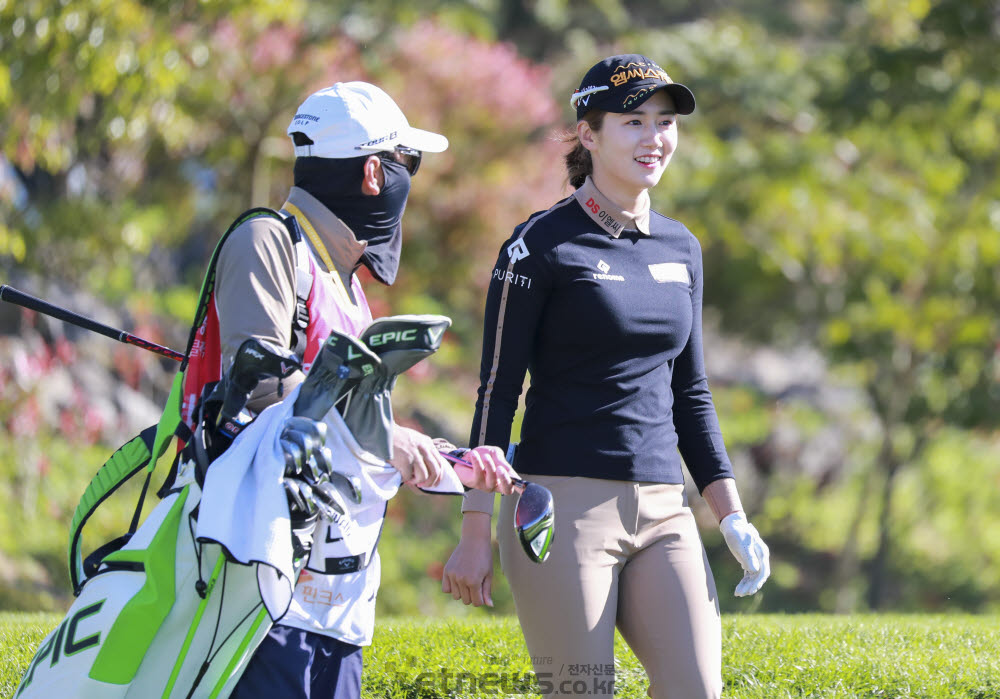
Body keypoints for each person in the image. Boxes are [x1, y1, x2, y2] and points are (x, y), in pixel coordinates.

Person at [441, 55, 770, 698]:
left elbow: (691, 393)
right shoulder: (538, 245)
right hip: (559, 510)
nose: (655, 138)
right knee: (582, 692)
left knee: (697, 690)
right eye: (633, 121)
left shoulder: (682, 248)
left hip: (663, 509)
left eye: (665, 121)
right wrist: (474, 526)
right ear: (588, 134)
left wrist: (730, 515)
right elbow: (496, 389)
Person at [195, 82, 517, 699]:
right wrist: (384, 435)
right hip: (266, 592)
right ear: (374, 172)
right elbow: (260, 388)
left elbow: (360, 427)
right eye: (407, 163)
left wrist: (455, 468)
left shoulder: (344, 281)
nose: (408, 181)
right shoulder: (268, 242)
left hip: (336, 604)